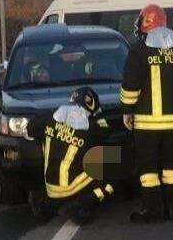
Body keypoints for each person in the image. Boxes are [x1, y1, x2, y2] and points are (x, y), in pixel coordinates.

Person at [121, 4, 173, 223]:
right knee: (172, 167)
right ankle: (171, 208)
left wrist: (127, 111)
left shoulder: (140, 49)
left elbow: (131, 87)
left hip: (148, 124)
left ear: (146, 21)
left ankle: (152, 209)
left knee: (148, 168)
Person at [26, 86, 114, 223]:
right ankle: (79, 205)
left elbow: (30, 129)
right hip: (73, 190)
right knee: (113, 164)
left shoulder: (50, 118)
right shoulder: (90, 128)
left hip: (51, 188)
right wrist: (98, 113)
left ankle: (44, 204)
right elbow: (105, 132)